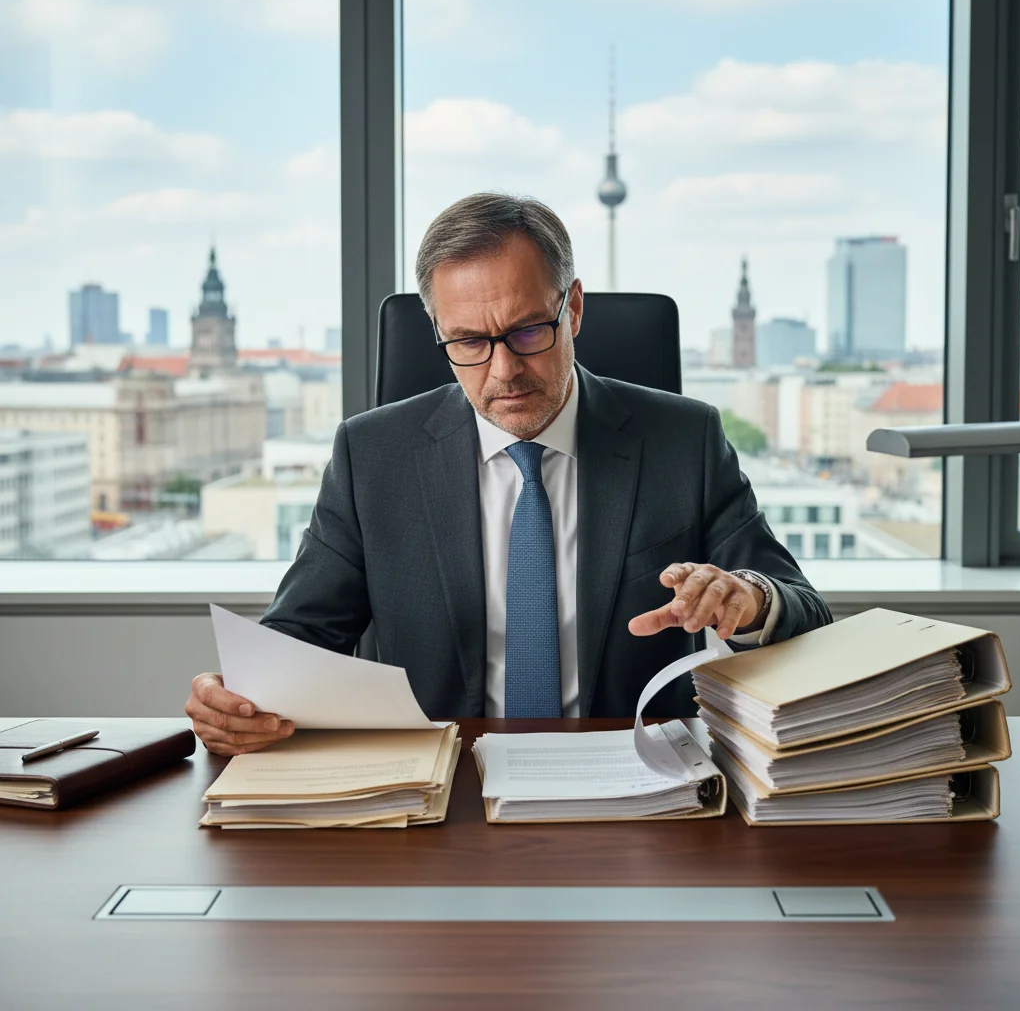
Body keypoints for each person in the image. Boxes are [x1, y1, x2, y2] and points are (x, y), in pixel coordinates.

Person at [187, 193, 831, 755]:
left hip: (635, 782)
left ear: (572, 309)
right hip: (435, 792)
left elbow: (805, 614)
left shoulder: (683, 440)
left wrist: (749, 599)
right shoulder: (371, 454)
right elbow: (300, 636)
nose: (503, 372)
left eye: (527, 332)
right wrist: (240, 702)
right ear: (437, 331)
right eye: (468, 342)